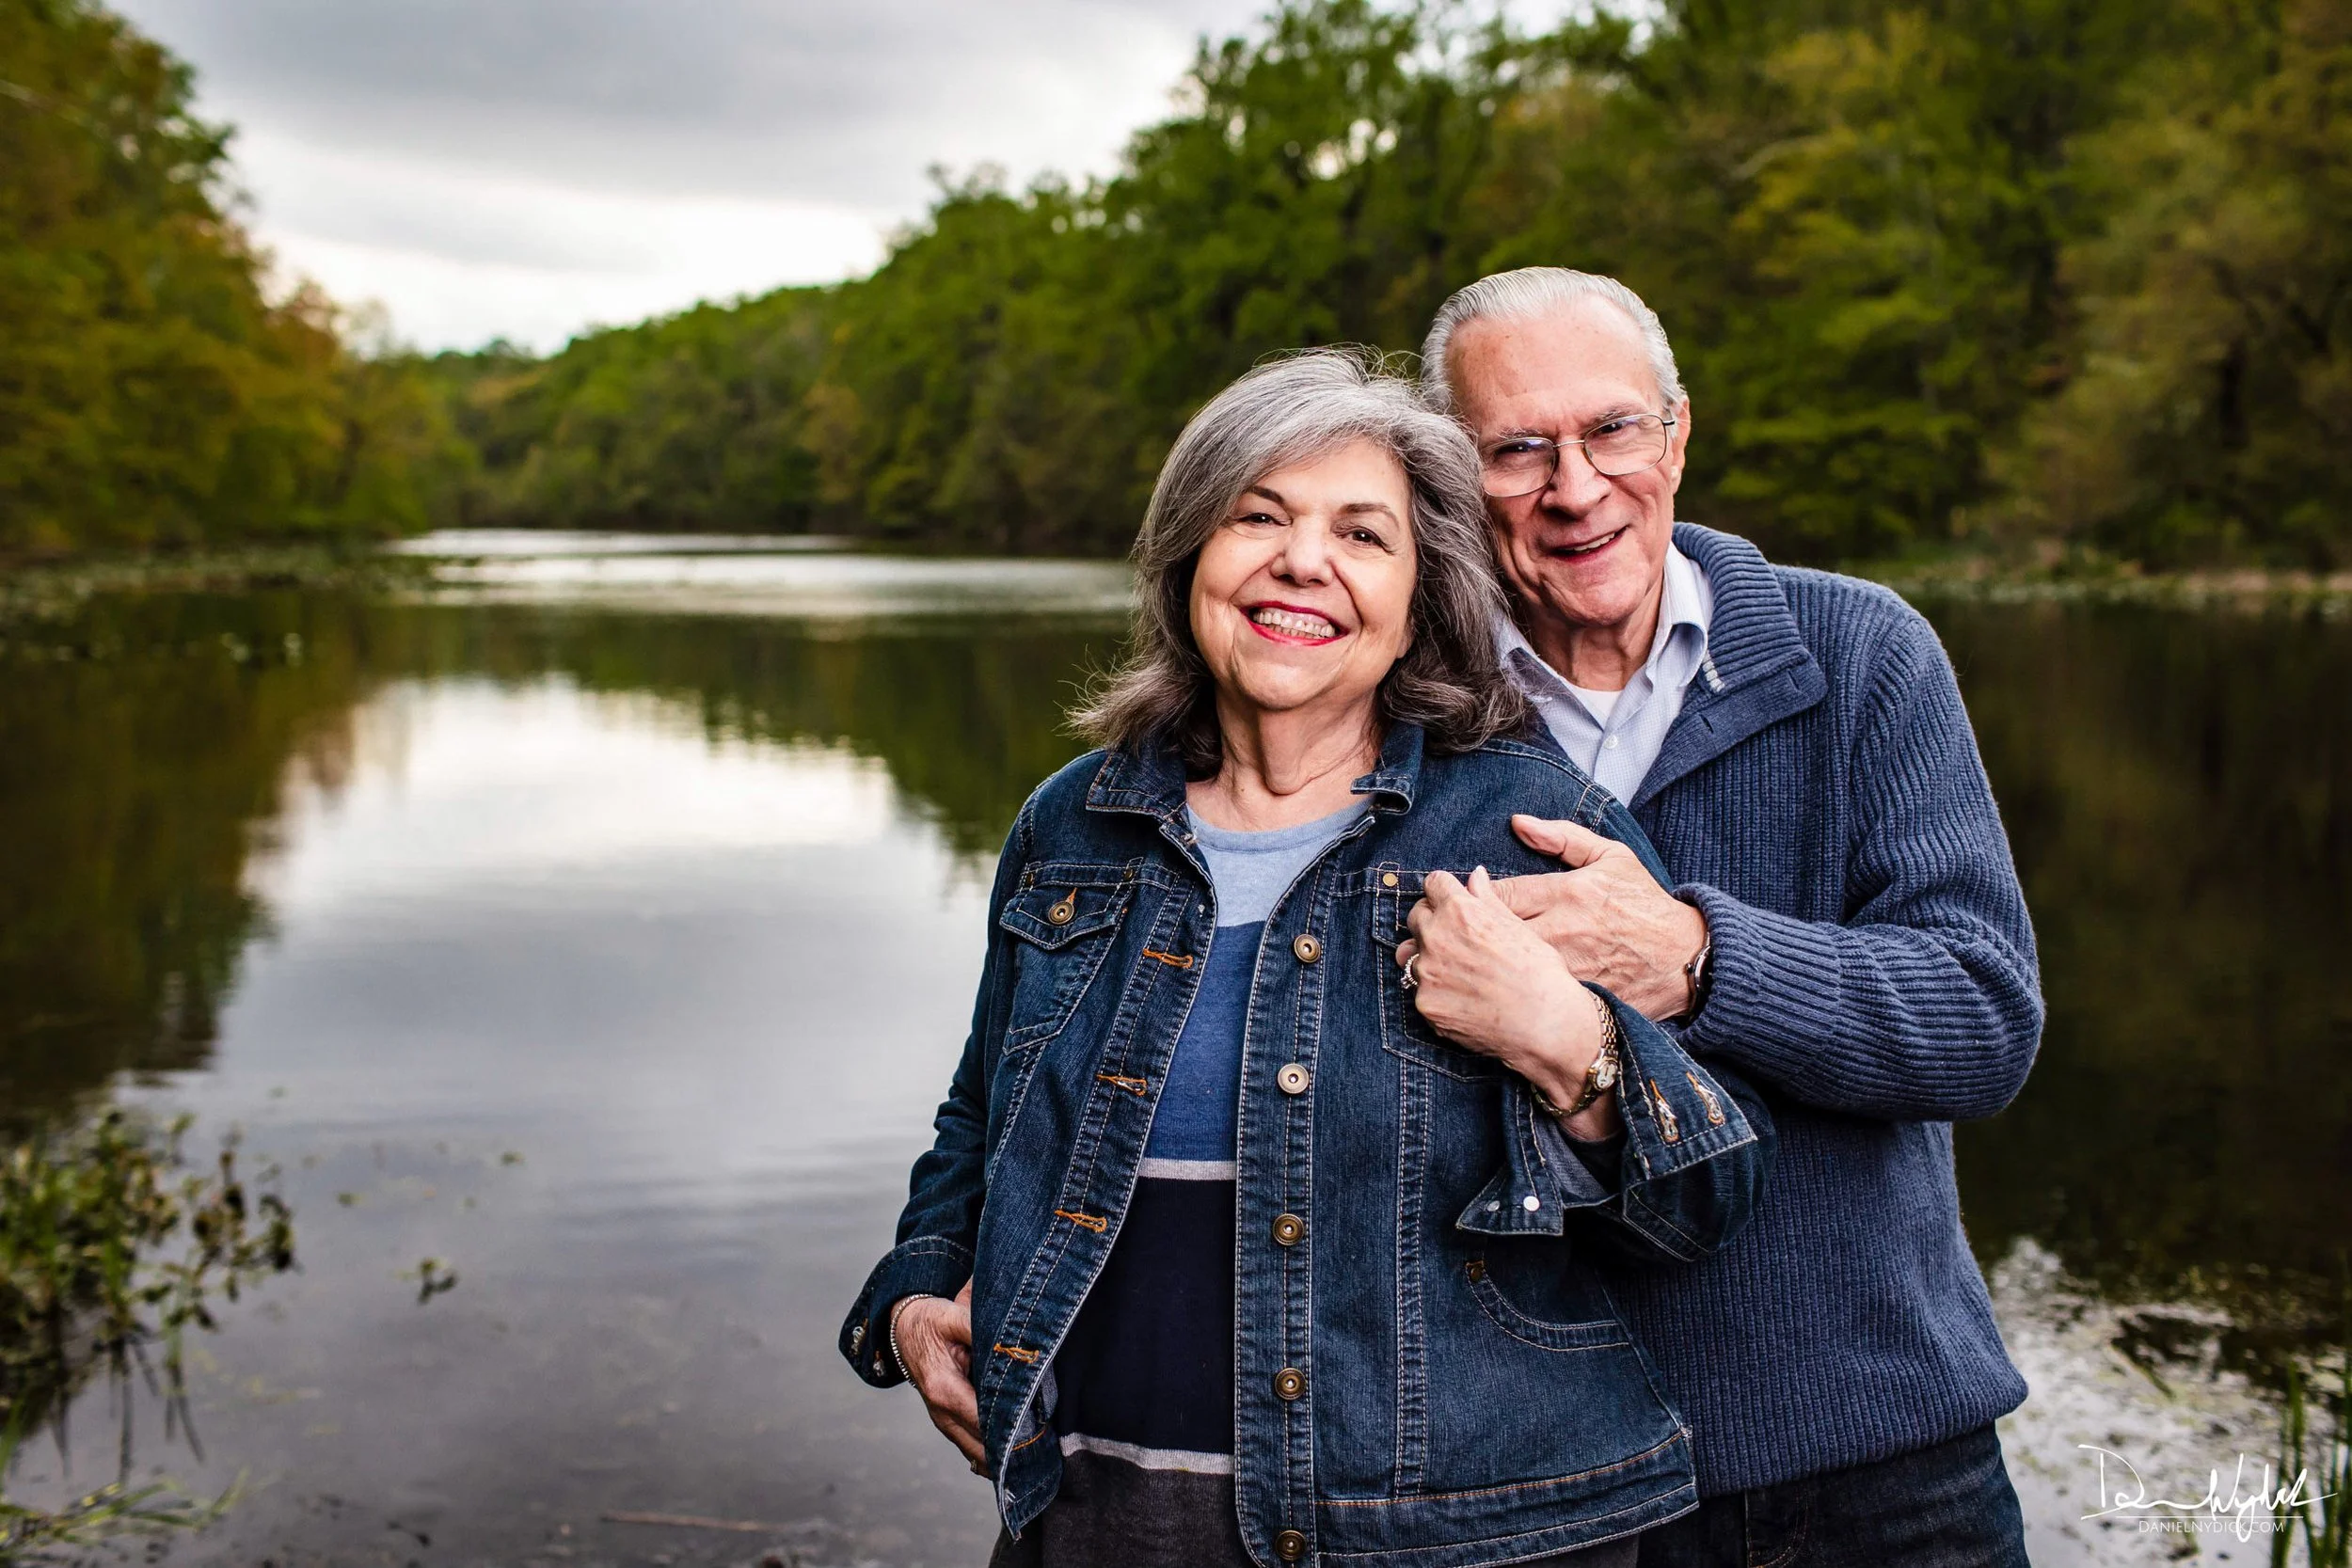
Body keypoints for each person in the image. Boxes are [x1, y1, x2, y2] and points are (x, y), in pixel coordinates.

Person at [839, 349, 1773, 1568]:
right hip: (1094, 1526)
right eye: (1258, 516)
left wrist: (1569, 1042)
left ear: (1418, 598)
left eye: (1362, 534)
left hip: (1463, 1539)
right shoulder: (1071, 823)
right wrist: (917, 1291)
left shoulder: (1525, 828)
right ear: (1190, 559)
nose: (1302, 562)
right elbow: (980, 1117)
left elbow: (1705, 1204)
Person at [1409, 267, 2042, 1567]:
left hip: (1882, 1460)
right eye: (1517, 449)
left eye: (1612, 431)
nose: (1575, 486)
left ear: (1678, 433)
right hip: (1546, 1491)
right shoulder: (1411, 713)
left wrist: (1695, 959)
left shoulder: (1861, 652)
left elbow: (1983, 1019)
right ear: (1453, 482)